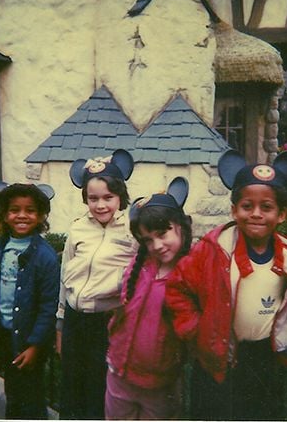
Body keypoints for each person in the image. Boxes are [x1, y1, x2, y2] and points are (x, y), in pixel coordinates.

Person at [166, 150, 287, 421]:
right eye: (247, 206)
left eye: (266, 207)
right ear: (234, 210)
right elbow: (177, 289)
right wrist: (196, 329)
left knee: (260, 412)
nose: (255, 214)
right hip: (219, 354)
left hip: (265, 356)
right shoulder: (212, 250)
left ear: (282, 215)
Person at [57, 149, 138, 419]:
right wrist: (60, 320)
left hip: (108, 322)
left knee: (100, 391)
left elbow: (141, 276)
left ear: (120, 197)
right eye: (93, 198)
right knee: (71, 388)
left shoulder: (133, 229)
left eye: (108, 197)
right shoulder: (78, 227)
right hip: (74, 320)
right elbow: (65, 274)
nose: (100, 205)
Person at [105, 177, 192, 420]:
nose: (157, 245)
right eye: (148, 240)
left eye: (162, 233)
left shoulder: (191, 272)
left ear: (181, 226)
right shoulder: (140, 264)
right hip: (119, 374)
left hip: (160, 384)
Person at [0, 182, 60, 419]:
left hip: (29, 339)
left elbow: (48, 307)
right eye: (15, 210)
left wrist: (35, 345)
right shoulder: (3, 247)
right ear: (5, 215)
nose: (22, 215)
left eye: (30, 210)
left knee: (31, 397)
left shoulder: (45, 257)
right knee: (13, 391)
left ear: (40, 216)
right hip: (7, 334)